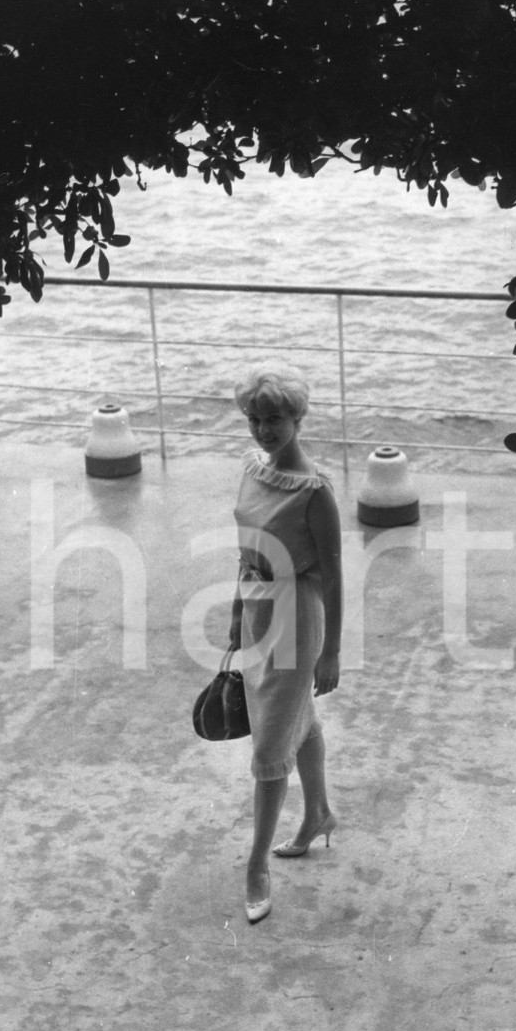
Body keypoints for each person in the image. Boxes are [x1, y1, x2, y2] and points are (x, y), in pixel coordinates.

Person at [229, 368, 343, 925]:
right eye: (255, 417)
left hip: (297, 618)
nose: (263, 429)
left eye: (274, 418)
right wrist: (235, 614)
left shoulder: (314, 491)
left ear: (299, 419)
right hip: (256, 606)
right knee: (300, 719)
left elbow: (337, 575)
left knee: (271, 740)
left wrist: (333, 651)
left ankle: (256, 865)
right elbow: (246, 546)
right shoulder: (252, 469)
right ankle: (318, 812)